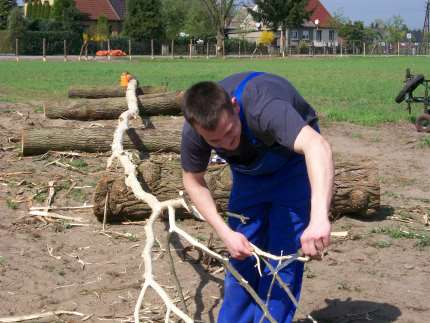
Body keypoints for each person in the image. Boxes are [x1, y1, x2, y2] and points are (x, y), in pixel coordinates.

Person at [180, 71, 334, 323]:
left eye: (230, 132)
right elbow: (193, 180)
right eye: (215, 141)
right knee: (241, 253)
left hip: (293, 166)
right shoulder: (194, 130)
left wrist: (318, 219)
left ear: (234, 106)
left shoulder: (264, 106)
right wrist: (225, 233)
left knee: (282, 259)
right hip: (248, 175)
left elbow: (317, 146)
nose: (227, 144)